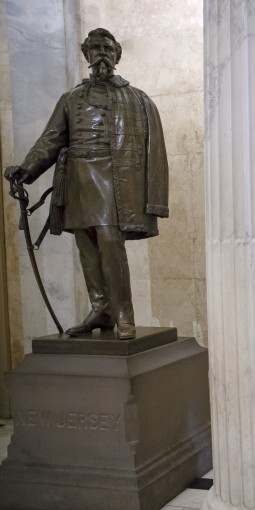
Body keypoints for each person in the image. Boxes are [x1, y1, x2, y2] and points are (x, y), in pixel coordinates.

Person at [4, 28, 168, 340]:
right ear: (86, 54)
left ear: (117, 54)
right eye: (95, 47)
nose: (102, 53)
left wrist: (154, 202)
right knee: (87, 246)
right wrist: (25, 170)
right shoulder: (70, 99)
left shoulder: (139, 100)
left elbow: (156, 154)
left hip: (115, 178)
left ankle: (124, 313)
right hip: (78, 180)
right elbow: (51, 140)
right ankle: (101, 309)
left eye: (108, 48)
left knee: (109, 241)